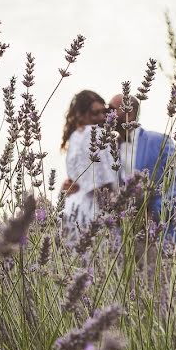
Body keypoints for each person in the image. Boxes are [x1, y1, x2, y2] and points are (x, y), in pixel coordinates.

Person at [63, 93, 176, 248]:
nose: (107, 115)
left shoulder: (158, 141)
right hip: (126, 236)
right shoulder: (108, 147)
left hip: (166, 233)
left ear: (129, 113)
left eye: (111, 110)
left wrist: (156, 210)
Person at [60, 90, 116, 244]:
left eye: (103, 112)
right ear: (81, 114)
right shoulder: (96, 134)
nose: (101, 117)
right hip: (94, 209)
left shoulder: (74, 136)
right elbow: (103, 184)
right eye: (94, 113)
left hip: (72, 208)